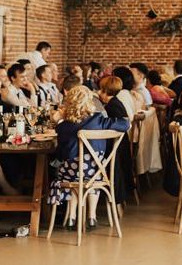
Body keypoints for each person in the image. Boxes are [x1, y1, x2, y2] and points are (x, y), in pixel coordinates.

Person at [48, 85, 129, 230]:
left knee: (69, 176)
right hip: (96, 171)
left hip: (71, 172)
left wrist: (58, 120)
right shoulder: (99, 120)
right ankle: (92, 216)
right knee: (92, 178)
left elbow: (61, 153)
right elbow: (125, 123)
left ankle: (71, 216)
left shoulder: (64, 126)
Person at [98, 75, 134, 205]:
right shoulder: (116, 102)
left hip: (114, 151)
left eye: (100, 89)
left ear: (104, 90)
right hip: (120, 148)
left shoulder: (111, 107)